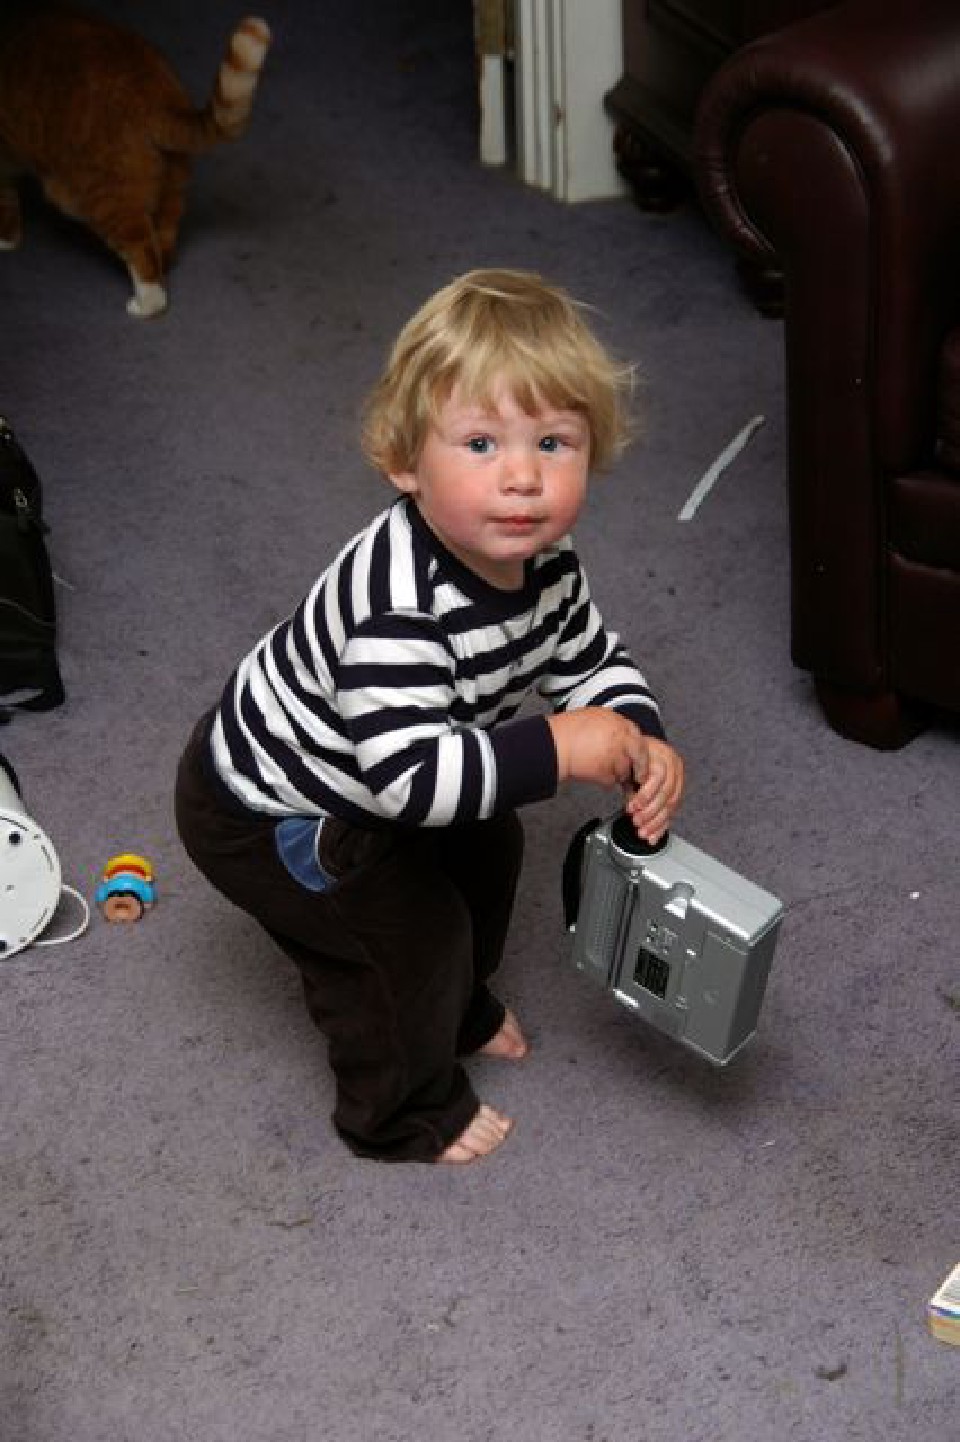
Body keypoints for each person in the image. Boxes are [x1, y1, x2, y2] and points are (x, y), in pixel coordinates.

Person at [174, 268, 684, 1165]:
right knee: (405, 942)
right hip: (278, 810)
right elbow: (407, 784)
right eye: (481, 443)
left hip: (419, 761)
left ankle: (458, 1008)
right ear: (405, 463)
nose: (523, 477)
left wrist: (635, 732)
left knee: (492, 847)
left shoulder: (547, 560)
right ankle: (402, 1111)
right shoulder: (396, 606)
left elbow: (586, 654)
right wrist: (559, 746)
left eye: (554, 443)